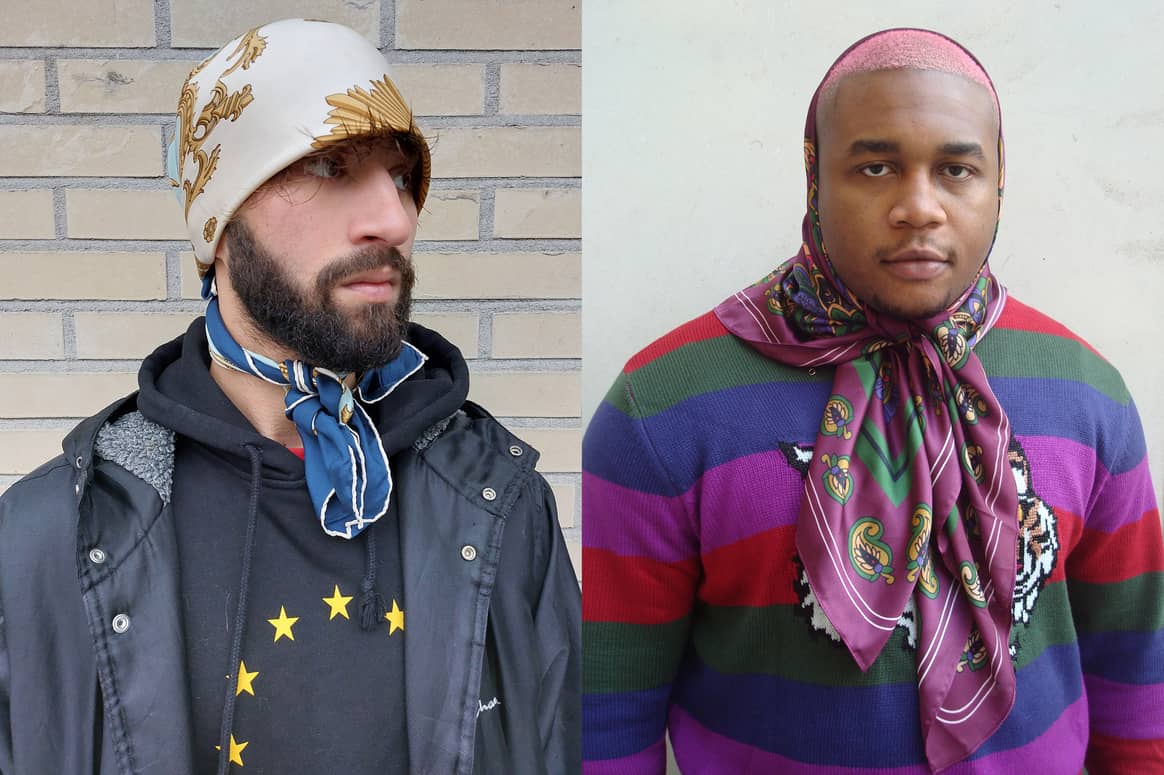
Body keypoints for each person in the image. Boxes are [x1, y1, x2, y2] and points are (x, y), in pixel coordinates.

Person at [0, 18, 579, 775]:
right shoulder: (49, 540)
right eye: (332, 166)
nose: (397, 218)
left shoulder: (504, 505)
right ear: (219, 223)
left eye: (401, 176)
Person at [582, 28, 1162, 774]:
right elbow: (604, 715)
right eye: (876, 166)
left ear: (998, 185)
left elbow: (1139, 686)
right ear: (816, 178)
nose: (918, 206)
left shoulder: (1087, 395)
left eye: (956, 168)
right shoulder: (662, 407)